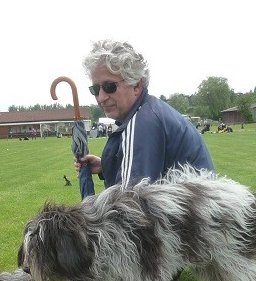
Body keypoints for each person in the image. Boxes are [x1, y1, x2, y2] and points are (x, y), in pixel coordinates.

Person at [75, 40, 214, 188]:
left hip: (191, 210)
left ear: (136, 85)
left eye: (110, 87)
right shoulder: (150, 111)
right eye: (95, 89)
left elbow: (129, 201)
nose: (101, 97)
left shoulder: (143, 123)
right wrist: (106, 166)